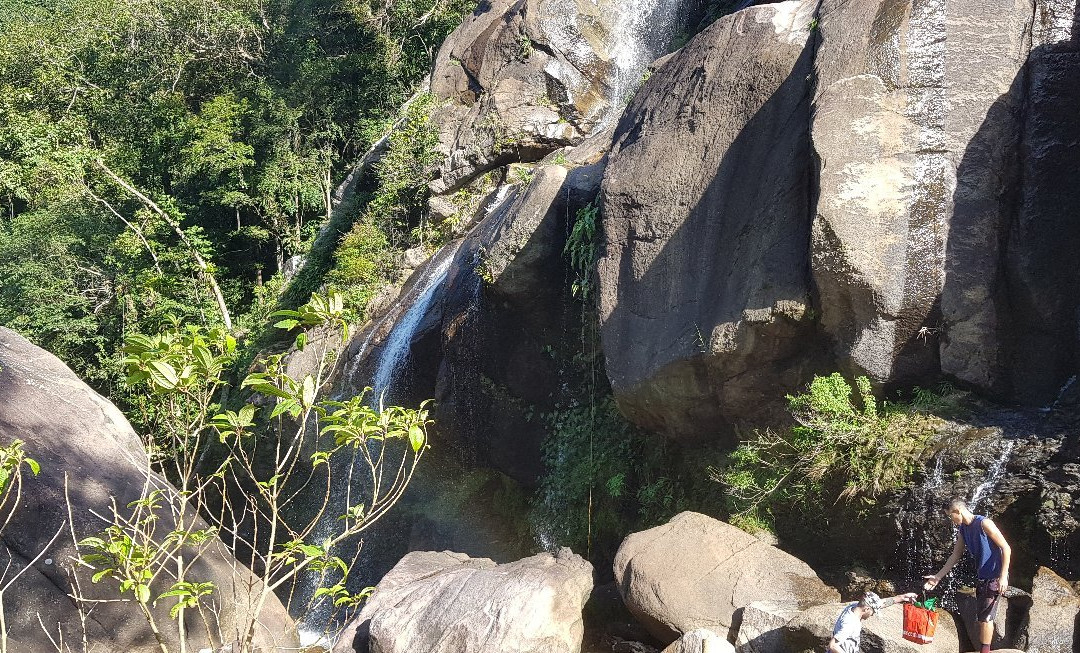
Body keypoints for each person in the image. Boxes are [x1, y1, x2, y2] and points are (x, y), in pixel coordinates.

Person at [923, 499, 1012, 653]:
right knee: (982, 616)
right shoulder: (963, 530)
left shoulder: (984, 523)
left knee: (986, 617)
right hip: (983, 576)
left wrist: (1003, 576)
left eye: (951, 516)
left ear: (958, 511)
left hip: (995, 576)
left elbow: (1006, 548)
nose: (951, 521)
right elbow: (955, 555)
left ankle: (985, 651)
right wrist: (937, 577)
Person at [826, 590, 918, 653]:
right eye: (873, 612)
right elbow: (833, 645)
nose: (873, 614)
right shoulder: (850, 623)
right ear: (866, 609)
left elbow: (881, 603)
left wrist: (902, 597)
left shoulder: (854, 607)